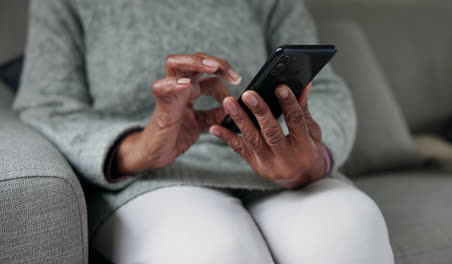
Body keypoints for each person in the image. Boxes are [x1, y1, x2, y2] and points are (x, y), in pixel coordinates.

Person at [14, 0, 394, 263]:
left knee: (350, 230)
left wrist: (311, 157)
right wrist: (139, 148)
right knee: (212, 251)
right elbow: (47, 106)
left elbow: (323, 86)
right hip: (151, 177)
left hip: (278, 163)